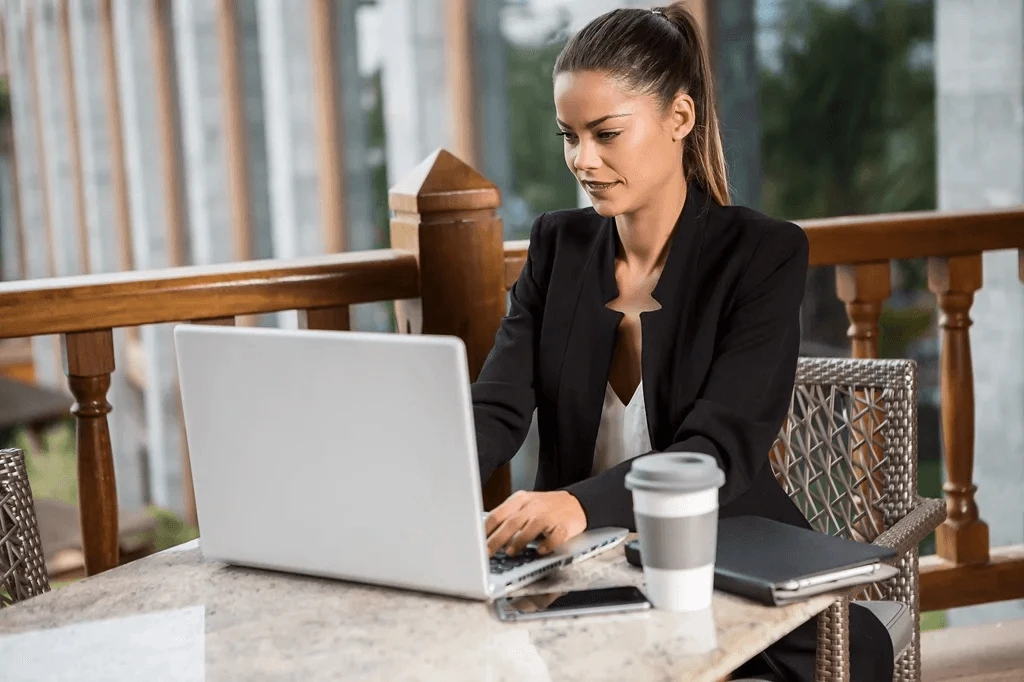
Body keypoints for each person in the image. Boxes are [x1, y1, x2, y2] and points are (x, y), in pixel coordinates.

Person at [469, 3, 893, 681]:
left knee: (849, 651)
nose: (583, 159)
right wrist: (420, 472)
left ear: (680, 118)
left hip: (722, 559)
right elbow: (496, 407)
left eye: (606, 133)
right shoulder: (558, 245)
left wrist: (580, 503)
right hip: (578, 571)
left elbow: (716, 449)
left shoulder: (762, 254)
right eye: (569, 136)